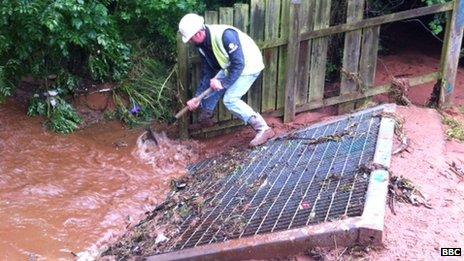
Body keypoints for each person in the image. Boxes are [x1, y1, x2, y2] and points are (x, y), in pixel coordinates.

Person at [178, 13, 275, 147]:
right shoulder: (202, 47)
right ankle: (206, 115)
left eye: (189, 39)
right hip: (229, 67)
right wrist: (196, 98)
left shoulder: (225, 35)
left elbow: (239, 63)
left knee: (230, 99)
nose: (189, 42)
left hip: (249, 65)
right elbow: (209, 73)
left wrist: (223, 83)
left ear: (198, 34)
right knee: (212, 83)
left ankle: (263, 129)